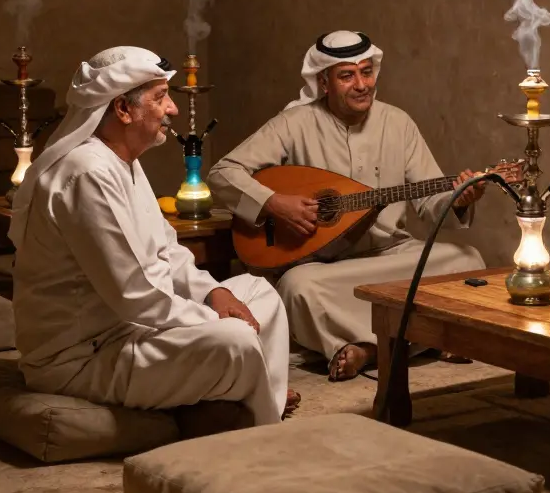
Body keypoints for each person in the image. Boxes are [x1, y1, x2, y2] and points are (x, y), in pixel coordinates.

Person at [10, 46, 297, 427]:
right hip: (85, 355)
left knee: (259, 294)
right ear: (123, 109)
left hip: (136, 331)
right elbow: (134, 295)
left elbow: (168, 252)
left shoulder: (123, 160)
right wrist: (213, 318)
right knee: (237, 340)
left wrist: (215, 293)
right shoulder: (87, 173)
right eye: (161, 98)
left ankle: (249, 396)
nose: (173, 110)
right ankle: (257, 424)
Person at [208, 31, 487, 381]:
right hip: (328, 266)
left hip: (392, 256)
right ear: (324, 82)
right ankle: (424, 341)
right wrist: (274, 203)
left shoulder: (397, 123)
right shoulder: (294, 124)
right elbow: (223, 173)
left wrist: (457, 200)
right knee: (297, 289)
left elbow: (430, 202)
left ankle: (370, 350)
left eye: (366, 72)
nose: (361, 84)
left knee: (468, 263)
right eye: (347, 75)